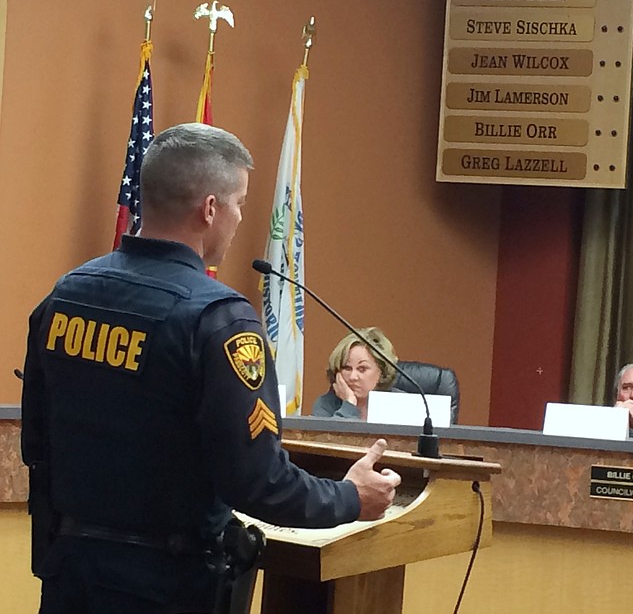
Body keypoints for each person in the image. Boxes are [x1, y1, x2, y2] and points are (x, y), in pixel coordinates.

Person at [21, 123, 401, 614]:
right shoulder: (218, 320)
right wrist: (351, 498)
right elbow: (258, 483)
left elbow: (36, 440)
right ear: (210, 209)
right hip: (166, 586)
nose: (241, 217)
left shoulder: (66, 293)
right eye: (240, 202)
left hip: (70, 574)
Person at [312, 327, 398, 420]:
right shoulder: (326, 404)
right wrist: (349, 404)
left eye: (362, 369)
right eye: (347, 368)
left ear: (382, 372)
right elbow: (333, 434)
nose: (353, 377)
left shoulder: (400, 404)